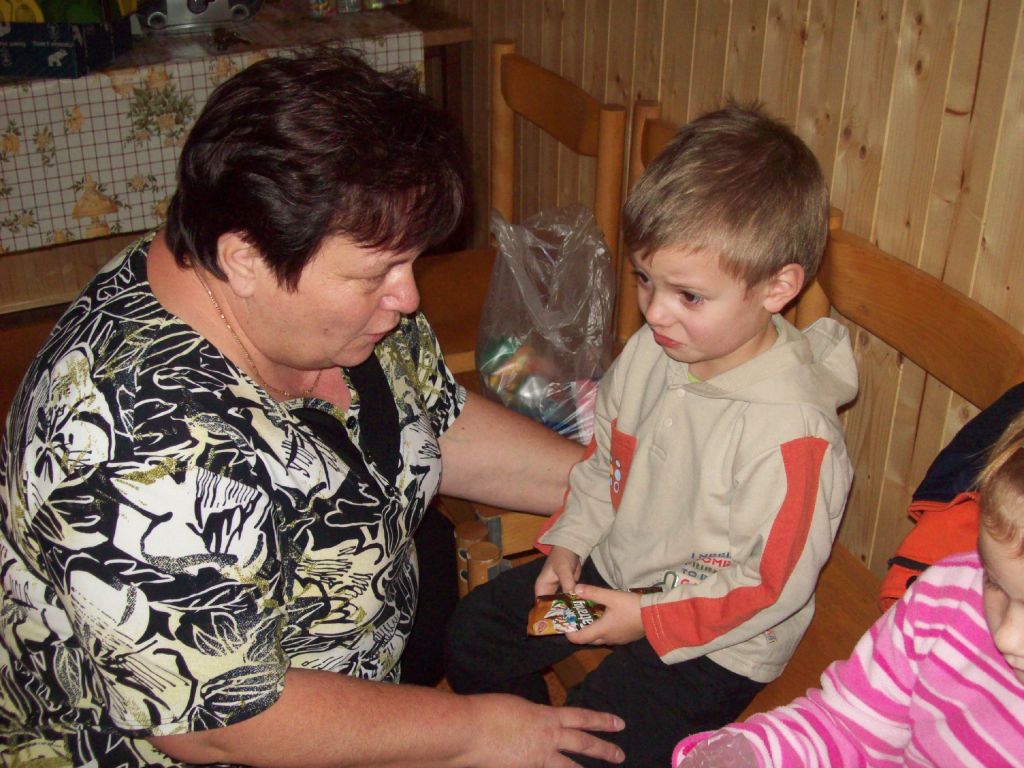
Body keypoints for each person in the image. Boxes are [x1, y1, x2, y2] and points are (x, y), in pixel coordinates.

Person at [0, 48, 627, 767]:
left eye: (409, 261)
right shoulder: (135, 446)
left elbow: (433, 419)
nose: (409, 296)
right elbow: (217, 722)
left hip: (359, 658)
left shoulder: (313, 285)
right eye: (377, 274)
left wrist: (614, 487)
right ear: (244, 260)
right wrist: (475, 732)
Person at [444, 104, 859, 766]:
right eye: (645, 279)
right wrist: (570, 545)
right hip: (614, 576)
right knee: (477, 636)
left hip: (714, 639)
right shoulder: (654, 352)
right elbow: (603, 465)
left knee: (597, 738)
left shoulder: (793, 436)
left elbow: (769, 587)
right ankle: (525, 739)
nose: (655, 312)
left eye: (688, 296)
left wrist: (648, 619)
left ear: (777, 287)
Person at [673, 411, 1024, 768]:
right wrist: (752, 755)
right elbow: (847, 727)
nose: (1007, 637)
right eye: (994, 582)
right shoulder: (947, 594)